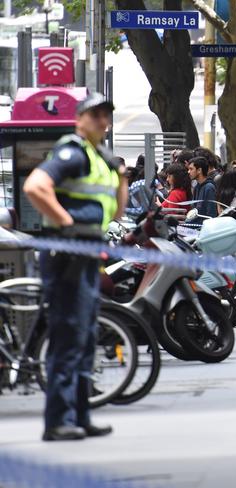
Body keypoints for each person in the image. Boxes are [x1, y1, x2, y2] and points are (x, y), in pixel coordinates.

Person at [23, 93, 128, 441]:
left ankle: (81, 416)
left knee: (84, 336)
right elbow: (35, 187)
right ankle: (58, 420)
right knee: (68, 336)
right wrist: (66, 223)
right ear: (79, 119)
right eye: (95, 115)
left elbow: (115, 214)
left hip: (86, 254)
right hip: (67, 256)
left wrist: (121, 175)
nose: (102, 121)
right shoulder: (71, 152)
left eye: (106, 116)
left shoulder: (98, 159)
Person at [187, 156, 217, 220]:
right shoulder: (196, 187)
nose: (188, 172)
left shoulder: (209, 188)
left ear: (199, 170)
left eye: (191, 169)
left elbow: (211, 214)